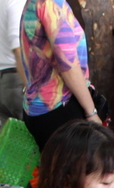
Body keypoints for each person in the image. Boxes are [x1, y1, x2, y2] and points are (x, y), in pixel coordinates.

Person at [20, 0, 103, 149]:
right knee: (78, 170)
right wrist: (91, 112)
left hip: (41, 107)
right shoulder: (51, 3)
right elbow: (68, 65)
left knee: (56, 170)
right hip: (59, 107)